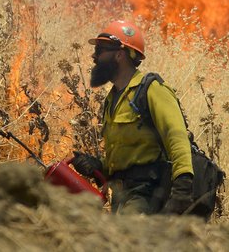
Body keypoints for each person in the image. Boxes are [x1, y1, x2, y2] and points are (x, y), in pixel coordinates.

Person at [70, 20, 194, 215]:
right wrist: (98, 166)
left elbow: (177, 137)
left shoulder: (152, 89)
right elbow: (126, 155)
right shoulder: (113, 98)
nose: (94, 56)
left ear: (119, 55)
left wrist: (182, 188)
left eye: (101, 50)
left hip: (147, 195)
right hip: (122, 198)